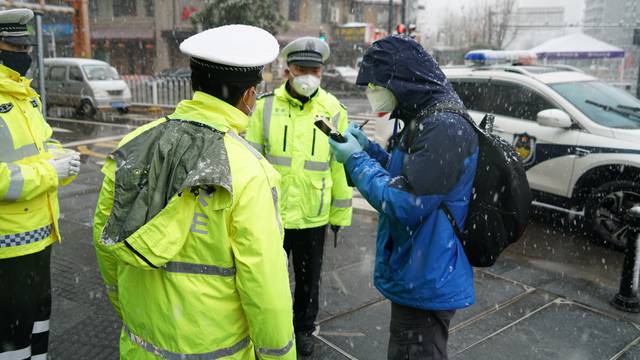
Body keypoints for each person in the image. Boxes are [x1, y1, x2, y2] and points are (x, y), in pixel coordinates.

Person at [93, 25, 295, 359]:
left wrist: (126, 308)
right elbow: (265, 286)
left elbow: (106, 242)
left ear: (193, 84)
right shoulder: (248, 170)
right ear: (248, 96)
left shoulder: (132, 147)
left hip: (140, 346)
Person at [329, 35, 479, 359]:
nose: (371, 93)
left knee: (414, 351)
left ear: (400, 82)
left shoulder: (443, 127)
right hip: (417, 268)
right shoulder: (424, 117)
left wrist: (355, 160)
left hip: (427, 275)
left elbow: (406, 201)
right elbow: (407, 177)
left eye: (374, 85)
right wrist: (367, 149)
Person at [245, 36, 353, 356]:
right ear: (288, 70)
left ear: (321, 73)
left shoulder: (333, 110)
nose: (308, 75)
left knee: (308, 282)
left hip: (312, 215)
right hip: (272, 213)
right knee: (267, 278)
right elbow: (251, 161)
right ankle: (267, 327)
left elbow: (339, 166)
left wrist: (339, 215)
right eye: (301, 68)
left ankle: (303, 328)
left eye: (315, 70)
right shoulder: (265, 108)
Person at [0, 8, 81, 360]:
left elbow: (44, 144)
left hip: (40, 237)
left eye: (25, 47)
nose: (23, 55)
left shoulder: (25, 97)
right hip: (6, 248)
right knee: (11, 338)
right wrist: (51, 173)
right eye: (13, 47)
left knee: (38, 327)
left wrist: (65, 159)